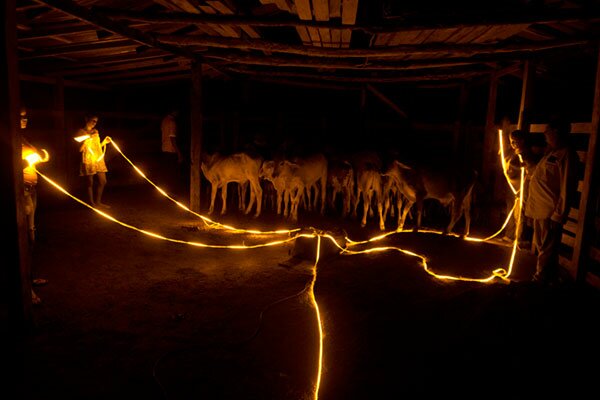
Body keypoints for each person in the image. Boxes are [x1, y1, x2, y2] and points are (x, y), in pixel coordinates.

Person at [524, 116, 579, 285]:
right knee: (543, 246)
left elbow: (567, 187)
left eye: (547, 131)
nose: (545, 135)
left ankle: (539, 280)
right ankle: (550, 279)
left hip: (549, 211)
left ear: (556, 132)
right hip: (539, 209)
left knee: (546, 248)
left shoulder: (567, 155)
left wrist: (559, 214)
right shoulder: (551, 154)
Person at [20, 107, 48, 305]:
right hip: (21, 191)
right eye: (21, 116)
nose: (25, 119)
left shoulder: (21, 138)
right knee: (24, 238)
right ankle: (25, 289)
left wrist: (39, 157)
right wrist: (27, 160)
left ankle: (29, 278)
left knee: (31, 235)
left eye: (26, 116)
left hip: (32, 189)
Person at [502, 129, 542, 245]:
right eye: (511, 142)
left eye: (515, 141)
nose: (512, 144)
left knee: (520, 213)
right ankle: (511, 235)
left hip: (522, 188)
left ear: (522, 141)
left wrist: (522, 187)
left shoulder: (526, 154)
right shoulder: (513, 153)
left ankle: (521, 238)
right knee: (512, 211)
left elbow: (531, 171)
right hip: (512, 188)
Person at [77, 114, 111, 208]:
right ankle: (92, 203)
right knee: (89, 182)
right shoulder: (81, 131)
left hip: (97, 157)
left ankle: (98, 202)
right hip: (88, 158)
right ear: (86, 119)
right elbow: (79, 149)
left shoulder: (96, 131)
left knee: (103, 181)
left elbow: (97, 146)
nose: (94, 123)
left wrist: (104, 142)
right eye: (92, 120)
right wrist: (86, 139)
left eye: (96, 121)